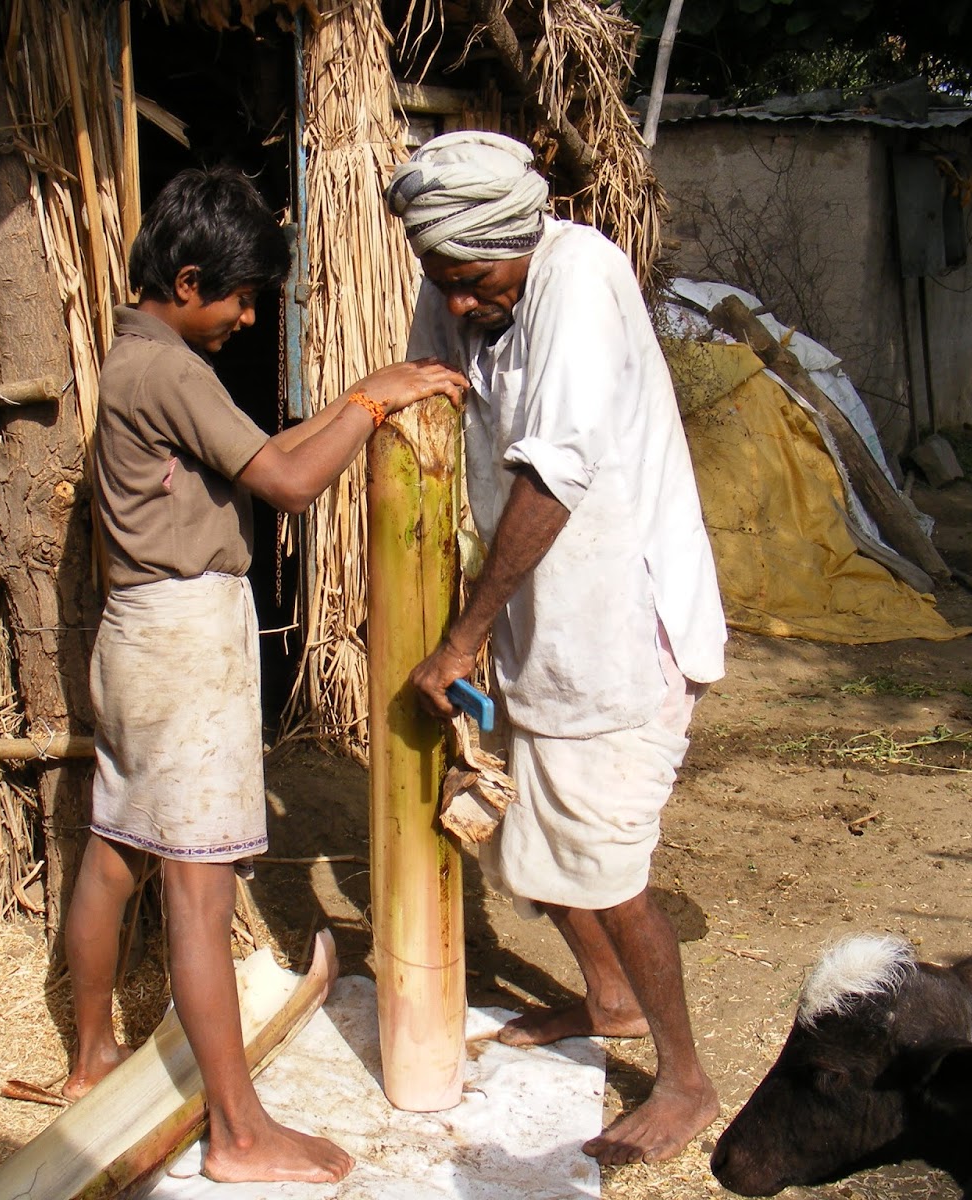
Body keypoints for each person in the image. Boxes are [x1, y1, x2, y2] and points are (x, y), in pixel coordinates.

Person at [62, 165, 466, 1185]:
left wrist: (348, 403)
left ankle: (89, 1058)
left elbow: (261, 452)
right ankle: (238, 1135)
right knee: (197, 893)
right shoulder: (171, 371)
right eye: (241, 297)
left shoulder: (138, 359)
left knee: (117, 846)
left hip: (136, 638)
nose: (248, 317)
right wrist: (372, 403)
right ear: (189, 280)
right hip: (184, 644)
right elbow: (288, 481)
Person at [386, 131, 728, 1165]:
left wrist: (461, 634)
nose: (457, 300)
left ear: (517, 237)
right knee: (535, 847)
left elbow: (552, 477)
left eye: (472, 279)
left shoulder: (581, 280)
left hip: (621, 634)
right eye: (438, 280)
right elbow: (431, 392)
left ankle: (685, 1080)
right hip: (540, 629)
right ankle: (610, 1001)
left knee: (607, 867)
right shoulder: (458, 281)